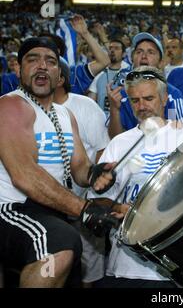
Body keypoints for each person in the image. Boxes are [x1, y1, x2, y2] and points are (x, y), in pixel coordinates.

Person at [0, 37, 120, 287]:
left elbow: (78, 168)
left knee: (68, 256)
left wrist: (94, 173)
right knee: (59, 246)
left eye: (51, 61)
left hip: (53, 211)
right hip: (13, 208)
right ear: (19, 69)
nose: (42, 66)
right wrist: (84, 209)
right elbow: (24, 175)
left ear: (59, 74)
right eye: (33, 60)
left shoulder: (65, 115)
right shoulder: (11, 105)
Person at [88, 66, 183, 288]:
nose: (142, 106)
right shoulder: (119, 143)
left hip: (174, 266)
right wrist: (121, 210)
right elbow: (97, 199)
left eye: (148, 98)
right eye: (135, 100)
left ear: (165, 98)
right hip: (124, 266)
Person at [54, 57, 111, 286]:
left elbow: (101, 152)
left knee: (90, 269)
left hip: (82, 202)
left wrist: (95, 191)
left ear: (61, 79)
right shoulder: (25, 108)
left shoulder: (84, 107)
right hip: (46, 206)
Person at [107, 32, 183, 138]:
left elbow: (181, 136)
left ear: (161, 63)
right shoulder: (119, 95)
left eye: (151, 52)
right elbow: (114, 138)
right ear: (132, 60)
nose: (144, 56)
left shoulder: (172, 94)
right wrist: (114, 109)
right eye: (139, 52)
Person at [87, 39, 130, 116]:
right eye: (110, 48)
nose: (112, 50)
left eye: (116, 48)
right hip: (101, 121)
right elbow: (90, 102)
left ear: (124, 54)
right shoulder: (99, 74)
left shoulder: (128, 74)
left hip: (122, 123)